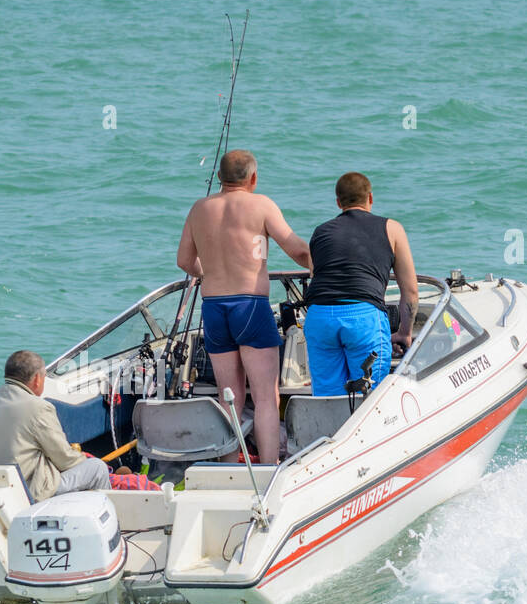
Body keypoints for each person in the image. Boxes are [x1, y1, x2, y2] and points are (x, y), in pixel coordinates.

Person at [176, 149, 312, 464]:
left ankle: (229, 467)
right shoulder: (261, 204)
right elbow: (296, 249)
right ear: (253, 178)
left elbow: (184, 261)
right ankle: (266, 469)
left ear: (221, 177)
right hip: (250, 306)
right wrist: (324, 264)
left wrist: (207, 272)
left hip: (213, 308)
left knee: (229, 396)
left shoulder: (199, 208)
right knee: (265, 397)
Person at [302, 172, 419, 396]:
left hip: (319, 317)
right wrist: (404, 332)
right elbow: (411, 291)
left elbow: (316, 275)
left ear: (338, 202)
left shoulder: (320, 232)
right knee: (370, 398)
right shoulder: (392, 228)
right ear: (370, 198)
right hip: (362, 317)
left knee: (328, 397)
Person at [0, 350, 111, 499]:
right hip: (26, 491)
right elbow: (65, 459)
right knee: (97, 468)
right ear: (37, 379)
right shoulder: (39, 407)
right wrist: (83, 459)